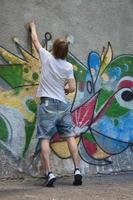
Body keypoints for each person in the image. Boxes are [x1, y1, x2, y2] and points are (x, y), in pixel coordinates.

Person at [28, 21, 82, 187]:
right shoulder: (68, 67)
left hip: (48, 105)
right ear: (66, 52)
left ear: (54, 49)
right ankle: (78, 170)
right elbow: (72, 87)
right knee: (70, 136)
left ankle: (49, 173)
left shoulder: (46, 57)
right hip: (62, 105)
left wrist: (33, 27)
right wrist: (65, 90)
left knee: (44, 137)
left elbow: (35, 41)